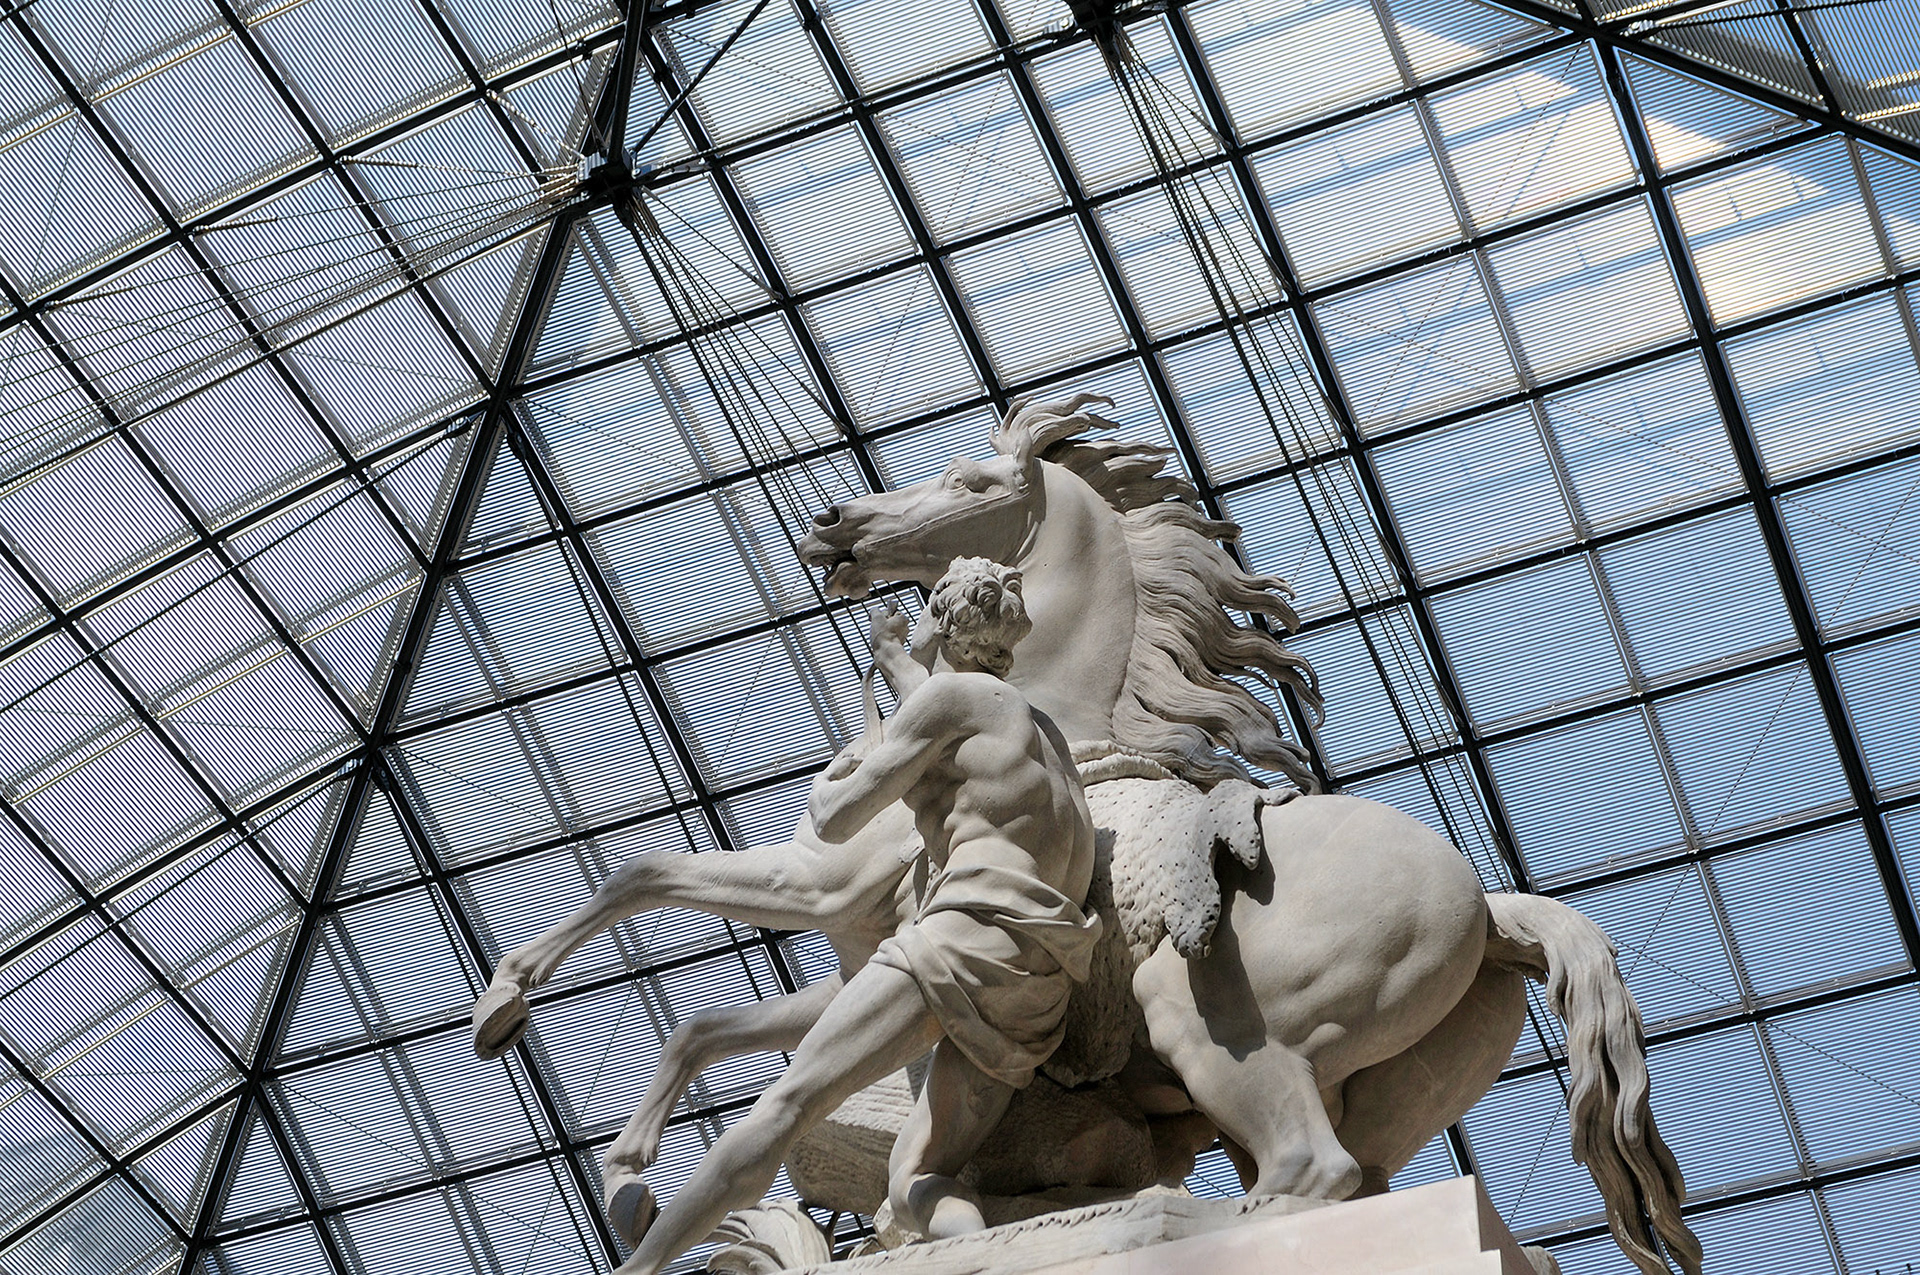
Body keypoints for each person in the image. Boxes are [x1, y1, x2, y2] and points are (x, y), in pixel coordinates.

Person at [613, 558, 1100, 1274]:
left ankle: (641, 1268)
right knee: (915, 1181)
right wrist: (894, 660)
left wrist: (840, 776)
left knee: (785, 1107)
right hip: (1040, 987)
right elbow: (940, 710)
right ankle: (1005, 1262)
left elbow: (839, 820)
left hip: (964, 937)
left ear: (945, 619)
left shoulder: (949, 705)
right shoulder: (1043, 733)